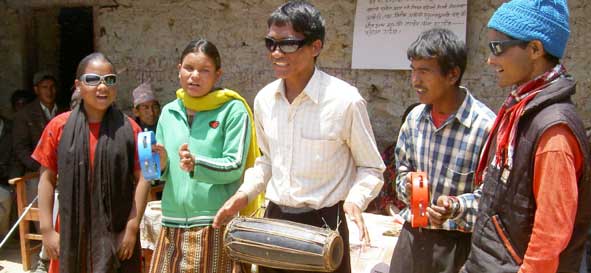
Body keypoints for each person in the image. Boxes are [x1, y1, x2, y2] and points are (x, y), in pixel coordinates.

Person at [213, 2, 386, 273]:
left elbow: (371, 167)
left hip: (326, 226)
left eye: (288, 44)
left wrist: (354, 201)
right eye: (271, 43)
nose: (277, 53)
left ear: (315, 47)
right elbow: (267, 161)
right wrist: (244, 195)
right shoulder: (264, 100)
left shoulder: (345, 101)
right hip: (275, 224)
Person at [456, 1, 591, 272]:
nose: (490, 60)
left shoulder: (553, 131)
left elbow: (550, 238)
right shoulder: (520, 111)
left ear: (534, 49)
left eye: (497, 48)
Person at [147, 38, 259, 273]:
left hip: (215, 222)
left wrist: (197, 164)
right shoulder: (169, 112)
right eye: (189, 68)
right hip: (173, 223)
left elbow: (235, 165)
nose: (194, 76)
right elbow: (165, 174)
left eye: (204, 70)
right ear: (179, 70)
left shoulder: (233, 109)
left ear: (218, 75)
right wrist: (163, 162)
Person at [388, 28, 496, 273]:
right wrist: (411, 190)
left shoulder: (485, 127)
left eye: (424, 71)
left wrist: (454, 207)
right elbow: (402, 173)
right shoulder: (415, 119)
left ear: (452, 74)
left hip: (459, 245)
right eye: (413, 70)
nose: (415, 80)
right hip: (413, 238)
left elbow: (491, 198)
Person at [33, 52, 150, 273]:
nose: (102, 87)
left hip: (117, 231)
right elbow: (46, 179)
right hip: (71, 233)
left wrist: (132, 228)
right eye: (93, 79)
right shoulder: (59, 127)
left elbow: (144, 177)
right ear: (78, 85)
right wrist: (47, 230)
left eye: (110, 80)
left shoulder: (130, 129)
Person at [12, 71, 63, 273]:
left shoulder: (64, 111)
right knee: (44, 195)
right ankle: (46, 255)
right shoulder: (25, 115)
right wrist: (42, 169)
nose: (49, 91)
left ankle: (49, 254)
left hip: (63, 173)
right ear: (36, 90)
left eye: (52, 87)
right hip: (35, 172)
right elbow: (20, 149)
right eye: (44, 87)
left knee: (62, 199)